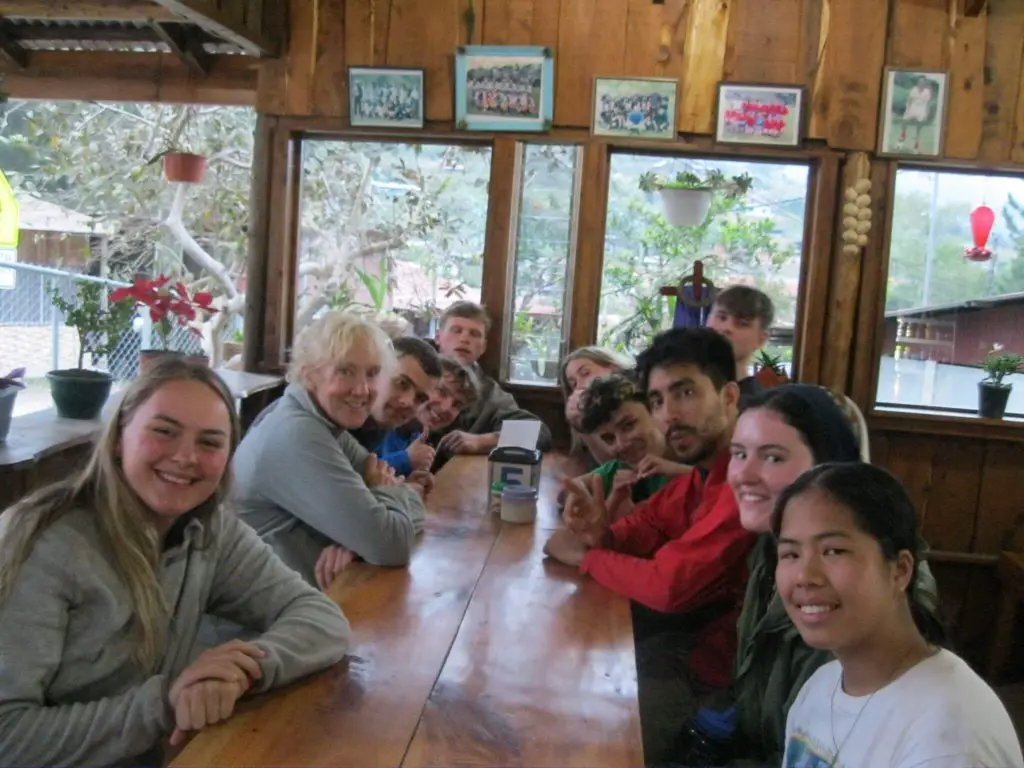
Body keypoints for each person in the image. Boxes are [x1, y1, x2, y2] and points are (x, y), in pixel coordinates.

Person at [0, 358, 350, 766]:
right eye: (164, 432)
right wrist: (166, 701)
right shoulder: (43, 542)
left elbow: (323, 620)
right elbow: (8, 737)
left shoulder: (209, 528)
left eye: (210, 442)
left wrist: (239, 673)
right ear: (117, 438)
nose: (186, 457)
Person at [544, 327, 755, 765]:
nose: (670, 414)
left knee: (581, 737)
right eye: (658, 400)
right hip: (677, 644)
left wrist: (591, 554)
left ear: (730, 397)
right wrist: (601, 533)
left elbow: (668, 586)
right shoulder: (698, 477)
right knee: (556, 679)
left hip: (717, 677)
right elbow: (634, 531)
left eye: (685, 392)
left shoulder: (744, 483)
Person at [672, 384, 871, 765]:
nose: (743, 475)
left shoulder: (848, 586)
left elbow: (820, 754)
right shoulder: (771, 550)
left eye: (774, 458)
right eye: (739, 454)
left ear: (827, 465)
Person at [777, 463, 1024, 768]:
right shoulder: (821, 686)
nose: (804, 576)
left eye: (833, 551)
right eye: (790, 554)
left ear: (900, 570)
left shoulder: (950, 740)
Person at [232, 311, 426, 586]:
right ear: (309, 375)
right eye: (345, 371)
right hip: (254, 624)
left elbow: (413, 511)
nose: (362, 390)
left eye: (372, 373)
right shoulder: (297, 432)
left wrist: (356, 543)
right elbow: (393, 544)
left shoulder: (324, 423)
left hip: (303, 602)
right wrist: (386, 496)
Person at [433, 301, 552, 457]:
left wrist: (481, 441)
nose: (464, 339)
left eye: (474, 334)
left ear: (482, 347)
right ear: (438, 337)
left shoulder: (491, 395)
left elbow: (539, 433)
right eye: (456, 330)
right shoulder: (414, 372)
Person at [574, 371, 686, 512]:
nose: (621, 444)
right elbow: (573, 488)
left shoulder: (690, 453)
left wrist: (681, 471)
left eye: (628, 425)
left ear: (654, 410)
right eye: (609, 438)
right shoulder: (623, 468)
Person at [348, 335, 442, 476]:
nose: (408, 402)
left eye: (420, 398)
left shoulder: (380, 424)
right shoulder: (339, 422)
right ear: (375, 371)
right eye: (401, 384)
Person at [378, 355, 481, 478]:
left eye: (457, 404)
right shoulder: (381, 421)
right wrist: (406, 459)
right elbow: (358, 471)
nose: (445, 408)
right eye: (441, 391)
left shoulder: (417, 433)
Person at [559, 347, 634, 468]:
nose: (580, 385)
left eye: (586, 373)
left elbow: (620, 464)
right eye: (573, 383)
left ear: (613, 368)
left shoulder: (635, 401)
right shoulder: (582, 414)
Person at [705, 285, 774, 406]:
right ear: (708, 320)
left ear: (761, 339)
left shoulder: (758, 408)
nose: (727, 328)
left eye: (742, 324)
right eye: (722, 317)